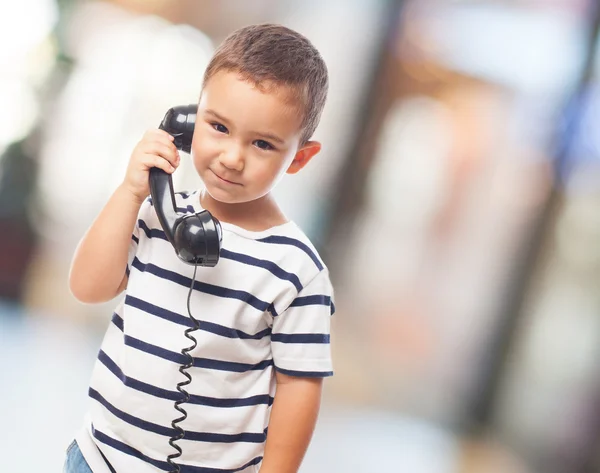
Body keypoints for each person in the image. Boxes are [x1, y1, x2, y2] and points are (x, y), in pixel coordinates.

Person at [64, 23, 334, 473]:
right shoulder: (155, 215)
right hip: (100, 457)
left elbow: (299, 386)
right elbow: (88, 287)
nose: (232, 157)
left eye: (263, 143)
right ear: (189, 123)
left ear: (299, 158)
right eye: (219, 127)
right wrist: (132, 193)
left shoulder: (297, 269)